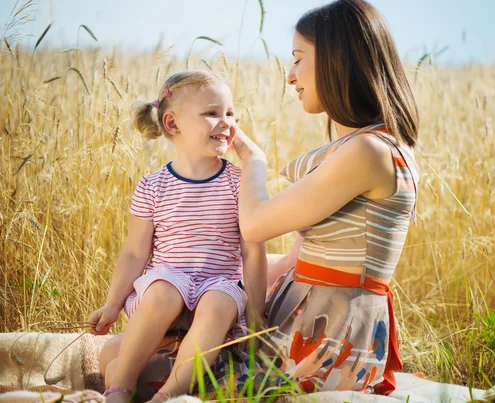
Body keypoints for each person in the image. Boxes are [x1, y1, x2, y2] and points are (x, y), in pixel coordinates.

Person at [212, 0, 420, 395]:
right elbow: (295, 260)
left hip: (327, 335)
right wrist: (202, 272)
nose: (290, 77)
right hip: (304, 317)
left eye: (298, 59)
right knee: (142, 352)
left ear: (337, 61)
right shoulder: (360, 146)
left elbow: (254, 224)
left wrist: (252, 160)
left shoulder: (369, 152)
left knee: (156, 372)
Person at [88, 71, 267, 402]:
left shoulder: (237, 182)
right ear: (172, 124)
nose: (227, 122)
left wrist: (256, 315)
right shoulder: (153, 185)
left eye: (231, 114)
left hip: (219, 287)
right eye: (212, 113)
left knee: (217, 301)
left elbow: (252, 252)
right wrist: (113, 305)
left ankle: (170, 395)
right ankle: (120, 387)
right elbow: (133, 253)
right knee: (164, 290)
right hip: (166, 287)